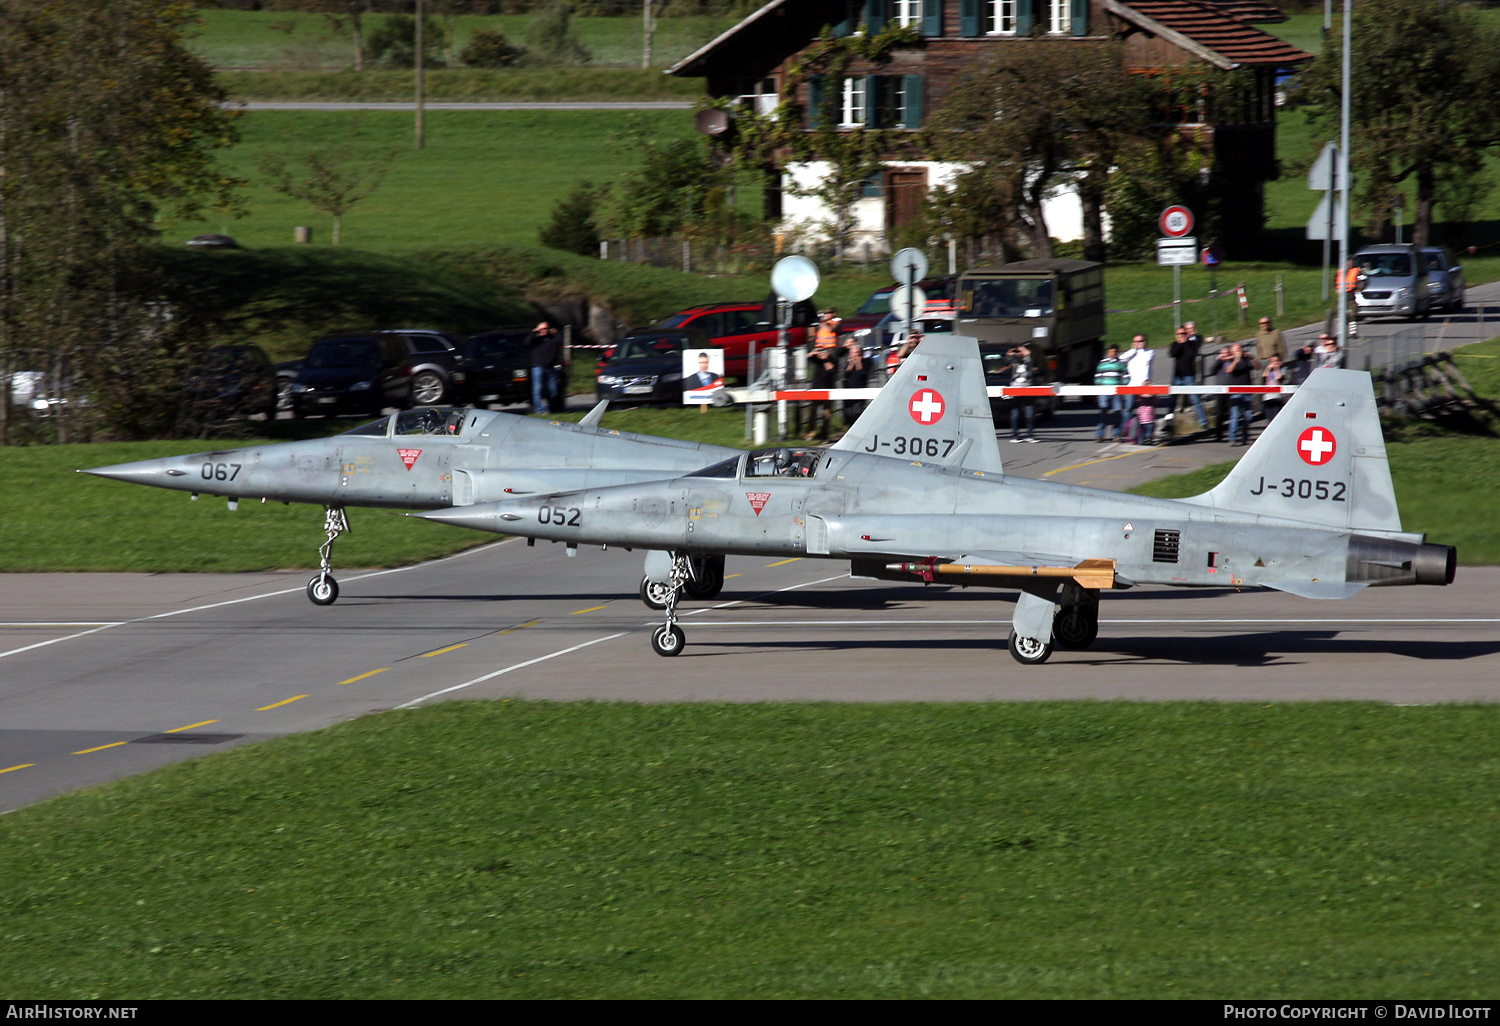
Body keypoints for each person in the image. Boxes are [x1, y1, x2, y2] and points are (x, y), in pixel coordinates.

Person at [1168, 324, 1208, 434]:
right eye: (1179, 334)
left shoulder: (1192, 344)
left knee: (1195, 399)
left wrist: (1185, 343)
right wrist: (1179, 344)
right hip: (1177, 376)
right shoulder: (1174, 345)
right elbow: (1172, 354)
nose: (1181, 336)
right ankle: (1169, 424)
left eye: (1184, 333)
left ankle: (1203, 422)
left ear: (1187, 334)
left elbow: (1192, 354)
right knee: (1172, 400)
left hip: (1189, 376)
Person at [1218, 342, 1256, 446]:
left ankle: (1245, 437)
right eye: (1236, 350)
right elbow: (1228, 370)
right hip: (1235, 391)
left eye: (1240, 349)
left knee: (1247, 416)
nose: (1239, 352)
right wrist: (1236, 359)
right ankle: (1232, 437)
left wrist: (1252, 357)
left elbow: (1258, 367)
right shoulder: (1230, 360)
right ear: (1233, 352)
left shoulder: (1246, 360)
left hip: (1247, 391)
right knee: (1235, 415)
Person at [1122, 334, 1154, 443]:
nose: (1138, 343)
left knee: (1145, 411)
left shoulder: (1149, 352)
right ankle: (1126, 432)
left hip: (1144, 386)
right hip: (1132, 385)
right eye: (1136, 341)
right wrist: (1133, 350)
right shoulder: (1131, 353)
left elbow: (1146, 359)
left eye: (1140, 341)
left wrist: (1138, 349)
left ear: (1145, 341)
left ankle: (1144, 436)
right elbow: (1121, 358)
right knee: (1128, 409)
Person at [1003, 344, 1038, 443]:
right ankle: (1015, 436)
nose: (1018, 354)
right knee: (1015, 414)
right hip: (1015, 389)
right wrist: (1012, 351)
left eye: (1019, 353)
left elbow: (1028, 353)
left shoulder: (1028, 361)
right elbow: (1008, 355)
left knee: (1029, 414)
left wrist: (1020, 348)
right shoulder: (1014, 362)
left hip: (1028, 388)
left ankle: (1029, 435)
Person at [1093, 343, 1127, 442]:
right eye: (1111, 351)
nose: (1112, 353)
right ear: (1108, 352)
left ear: (1117, 353)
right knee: (1103, 412)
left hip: (1116, 391)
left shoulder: (1121, 363)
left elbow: (1125, 376)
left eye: (1114, 352)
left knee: (1117, 412)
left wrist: (1123, 386)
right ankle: (1100, 435)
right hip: (1104, 390)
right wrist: (1099, 387)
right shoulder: (1103, 363)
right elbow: (1098, 376)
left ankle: (1116, 435)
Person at [527, 320, 561, 415]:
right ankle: (539, 409)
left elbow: (559, 342)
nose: (544, 330)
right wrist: (534, 332)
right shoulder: (536, 340)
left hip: (550, 367)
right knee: (537, 389)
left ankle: (551, 408)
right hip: (538, 367)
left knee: (553, 390)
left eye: (546, 328)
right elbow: (527, 342)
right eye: (542, 329)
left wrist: (556, 333)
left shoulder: (552, 339)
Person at [841, 333, 868, 420]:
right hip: (848, 391)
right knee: (848, 413)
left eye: (856, 353)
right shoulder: (848, 364)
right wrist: (851, 364)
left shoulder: (865, 362)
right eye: (852, 353)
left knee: (857, 412)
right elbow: (846, 374)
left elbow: (862, 374)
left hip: (859, 390)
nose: (854, 355)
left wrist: (858, 363)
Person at [1262, 353, 1286, 421]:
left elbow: (1279, 378)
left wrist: (1276, 368)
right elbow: (1264, 376)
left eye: (1276, 361)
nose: (1274, 363)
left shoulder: (1282, 369)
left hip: (1277, 397)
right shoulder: (1268, 370)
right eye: (1273, 361)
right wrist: (1268, 368)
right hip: (1267, 397)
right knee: (1269, 416)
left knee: (1276, 417)